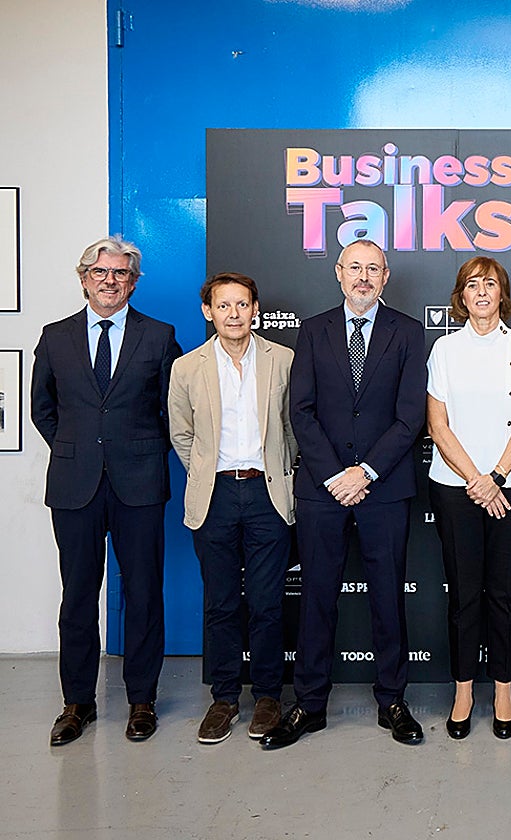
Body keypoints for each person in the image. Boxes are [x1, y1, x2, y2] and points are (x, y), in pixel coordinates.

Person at [261, 238, 427, 749]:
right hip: (322, 486)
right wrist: (337, 473)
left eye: (372, 268)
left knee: (386, 595)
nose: (363, 277)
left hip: (385, 486)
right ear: (338, 273)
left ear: (385, 275)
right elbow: (301, 411)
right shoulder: (312, 332)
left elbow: (410, 416)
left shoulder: (409, 331)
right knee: (315, 597)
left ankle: (392, 701)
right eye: (354, 267)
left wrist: (368, 471)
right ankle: (309, 704)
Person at [31, 236, 182, 746]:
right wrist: (77, 450)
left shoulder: (160, 337)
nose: (110, 281)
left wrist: (140, 450)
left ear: (133, 282)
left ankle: (142, 701)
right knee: (77, 596)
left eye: (121, 274)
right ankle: (78, 704)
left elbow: (173, 411)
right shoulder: (54, 337)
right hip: (75, 486)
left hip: (139, 483)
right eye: (101, 273)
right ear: (84, 278)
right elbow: (43, 409)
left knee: (143, 593)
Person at [167, 272, 297, 744]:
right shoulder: (187, 368)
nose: (234, 314)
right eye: (224, 306)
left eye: (242, 305)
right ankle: (223, 699)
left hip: (267, 494)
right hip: (215, 496)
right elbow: (181, 434)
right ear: (209, 312)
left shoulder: (281, 360)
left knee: (266, 602)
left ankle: (266, 697)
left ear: (255, 309)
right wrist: (206, 472)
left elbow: (291, 427)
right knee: (220, 603)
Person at [426, 257, 511, 740]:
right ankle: (464, 690)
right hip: (457, 488)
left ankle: (504, 689)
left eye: (490, 284)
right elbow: (438, 425)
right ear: (461, 295)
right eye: (472, 285)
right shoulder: (444, 349)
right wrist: (476, 479)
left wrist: (496, 476)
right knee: (464, 595)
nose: (482, 292)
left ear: (502, 293)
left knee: (506, 594)